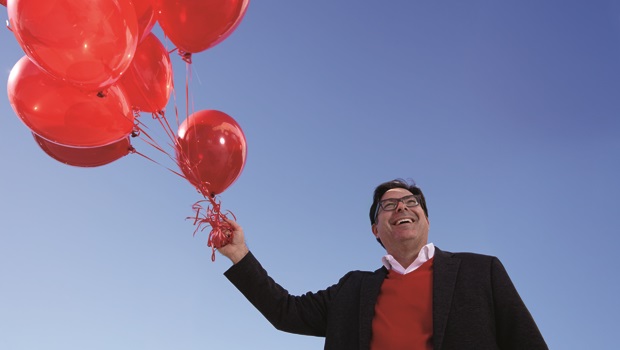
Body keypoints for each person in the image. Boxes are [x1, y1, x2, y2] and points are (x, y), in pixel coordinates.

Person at [219, 179, 548, 349]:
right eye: (388, 205)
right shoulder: (352, 289)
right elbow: (285, 311)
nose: (401, 207)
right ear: (376, 229)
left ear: (426, 219)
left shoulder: (481, 271)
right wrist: (239, 254)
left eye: (410, 202)